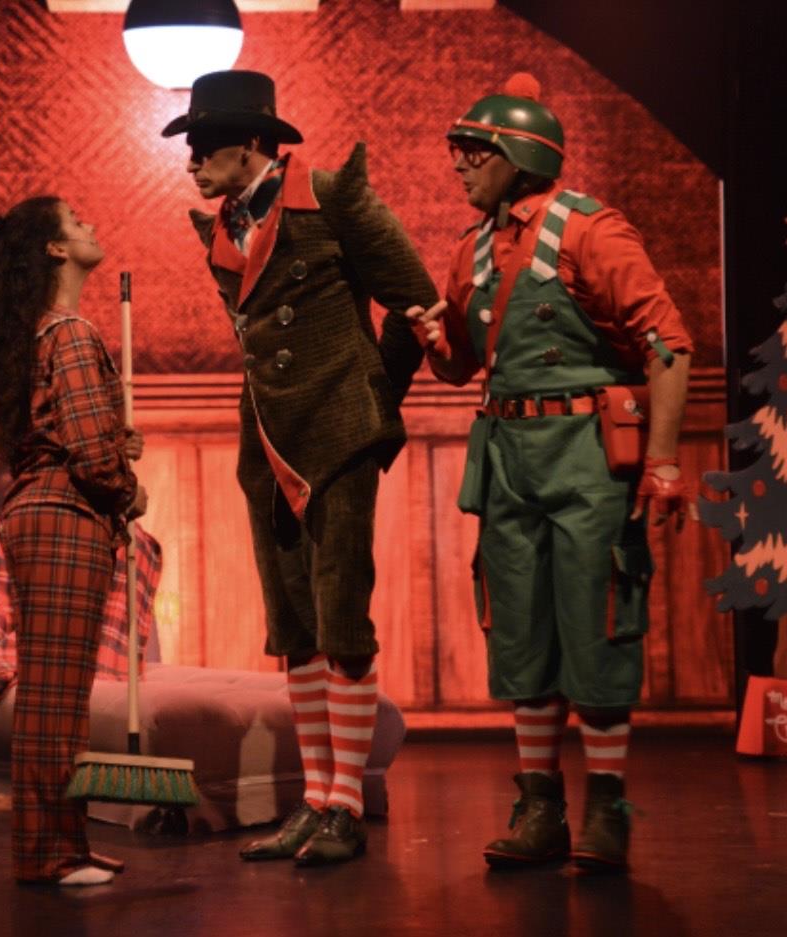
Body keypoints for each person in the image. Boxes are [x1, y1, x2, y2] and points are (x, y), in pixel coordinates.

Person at [407, 73, 695, 872]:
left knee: (596, 626)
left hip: (587, 460)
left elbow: (669, 346)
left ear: (519, 155)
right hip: (507, 461)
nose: (460, 166)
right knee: (520, 630)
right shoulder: (472, 248)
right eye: (460, 152)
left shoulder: (589, 230)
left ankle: (607, 806)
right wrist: (436, 339)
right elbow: (462, 368)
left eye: (475, 152)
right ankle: (539, 806)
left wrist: (664, 462)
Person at [162, 70, 436, 865]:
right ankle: (316, 800)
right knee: (295, 626)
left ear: (252, 142)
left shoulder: (331, 198)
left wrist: (371, 399)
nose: (192, 161)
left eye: (204, 145)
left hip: (337, 435)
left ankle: (346, 803)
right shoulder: (220, 231)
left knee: (342, 616)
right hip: (268, 444)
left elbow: (416, 302)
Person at [0, 195, 146, 886]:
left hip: (44, 512)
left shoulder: (40, 333)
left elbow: (66, 436)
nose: (91, 223)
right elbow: (93, 460)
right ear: (54, 248)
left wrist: (113, 441)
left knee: (58, 692)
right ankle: (47, 852)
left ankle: (63, 843)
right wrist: (129, 486)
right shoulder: (69, 332)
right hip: (64, 519)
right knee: (54, 695)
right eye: (76, 220)